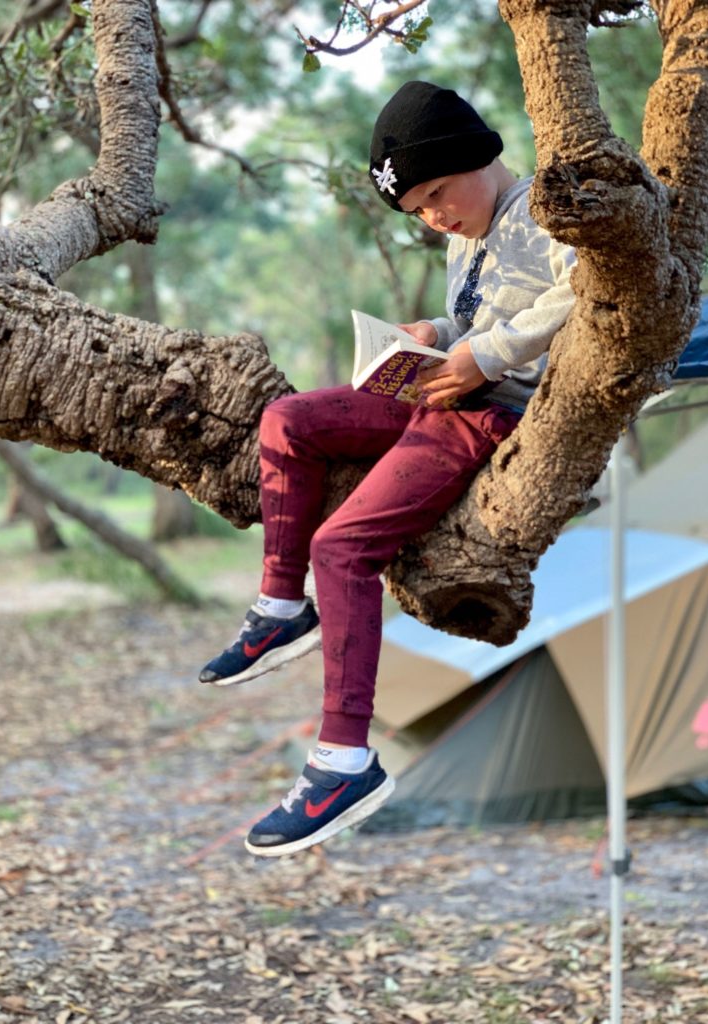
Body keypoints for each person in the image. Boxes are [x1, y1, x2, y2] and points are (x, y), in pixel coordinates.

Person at [199, 80, 576, 858]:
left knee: (342, 549)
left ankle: (343, 762)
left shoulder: (549, 209)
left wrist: (484, 354)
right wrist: (436, 330)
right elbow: (478, 316)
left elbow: (586, 295)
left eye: (438, 193)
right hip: (446, 386)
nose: (435, 216)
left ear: (479, 157)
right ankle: (279, 607)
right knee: (288, 420)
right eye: (418, 212)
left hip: (491, 410)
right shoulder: (464, 233)